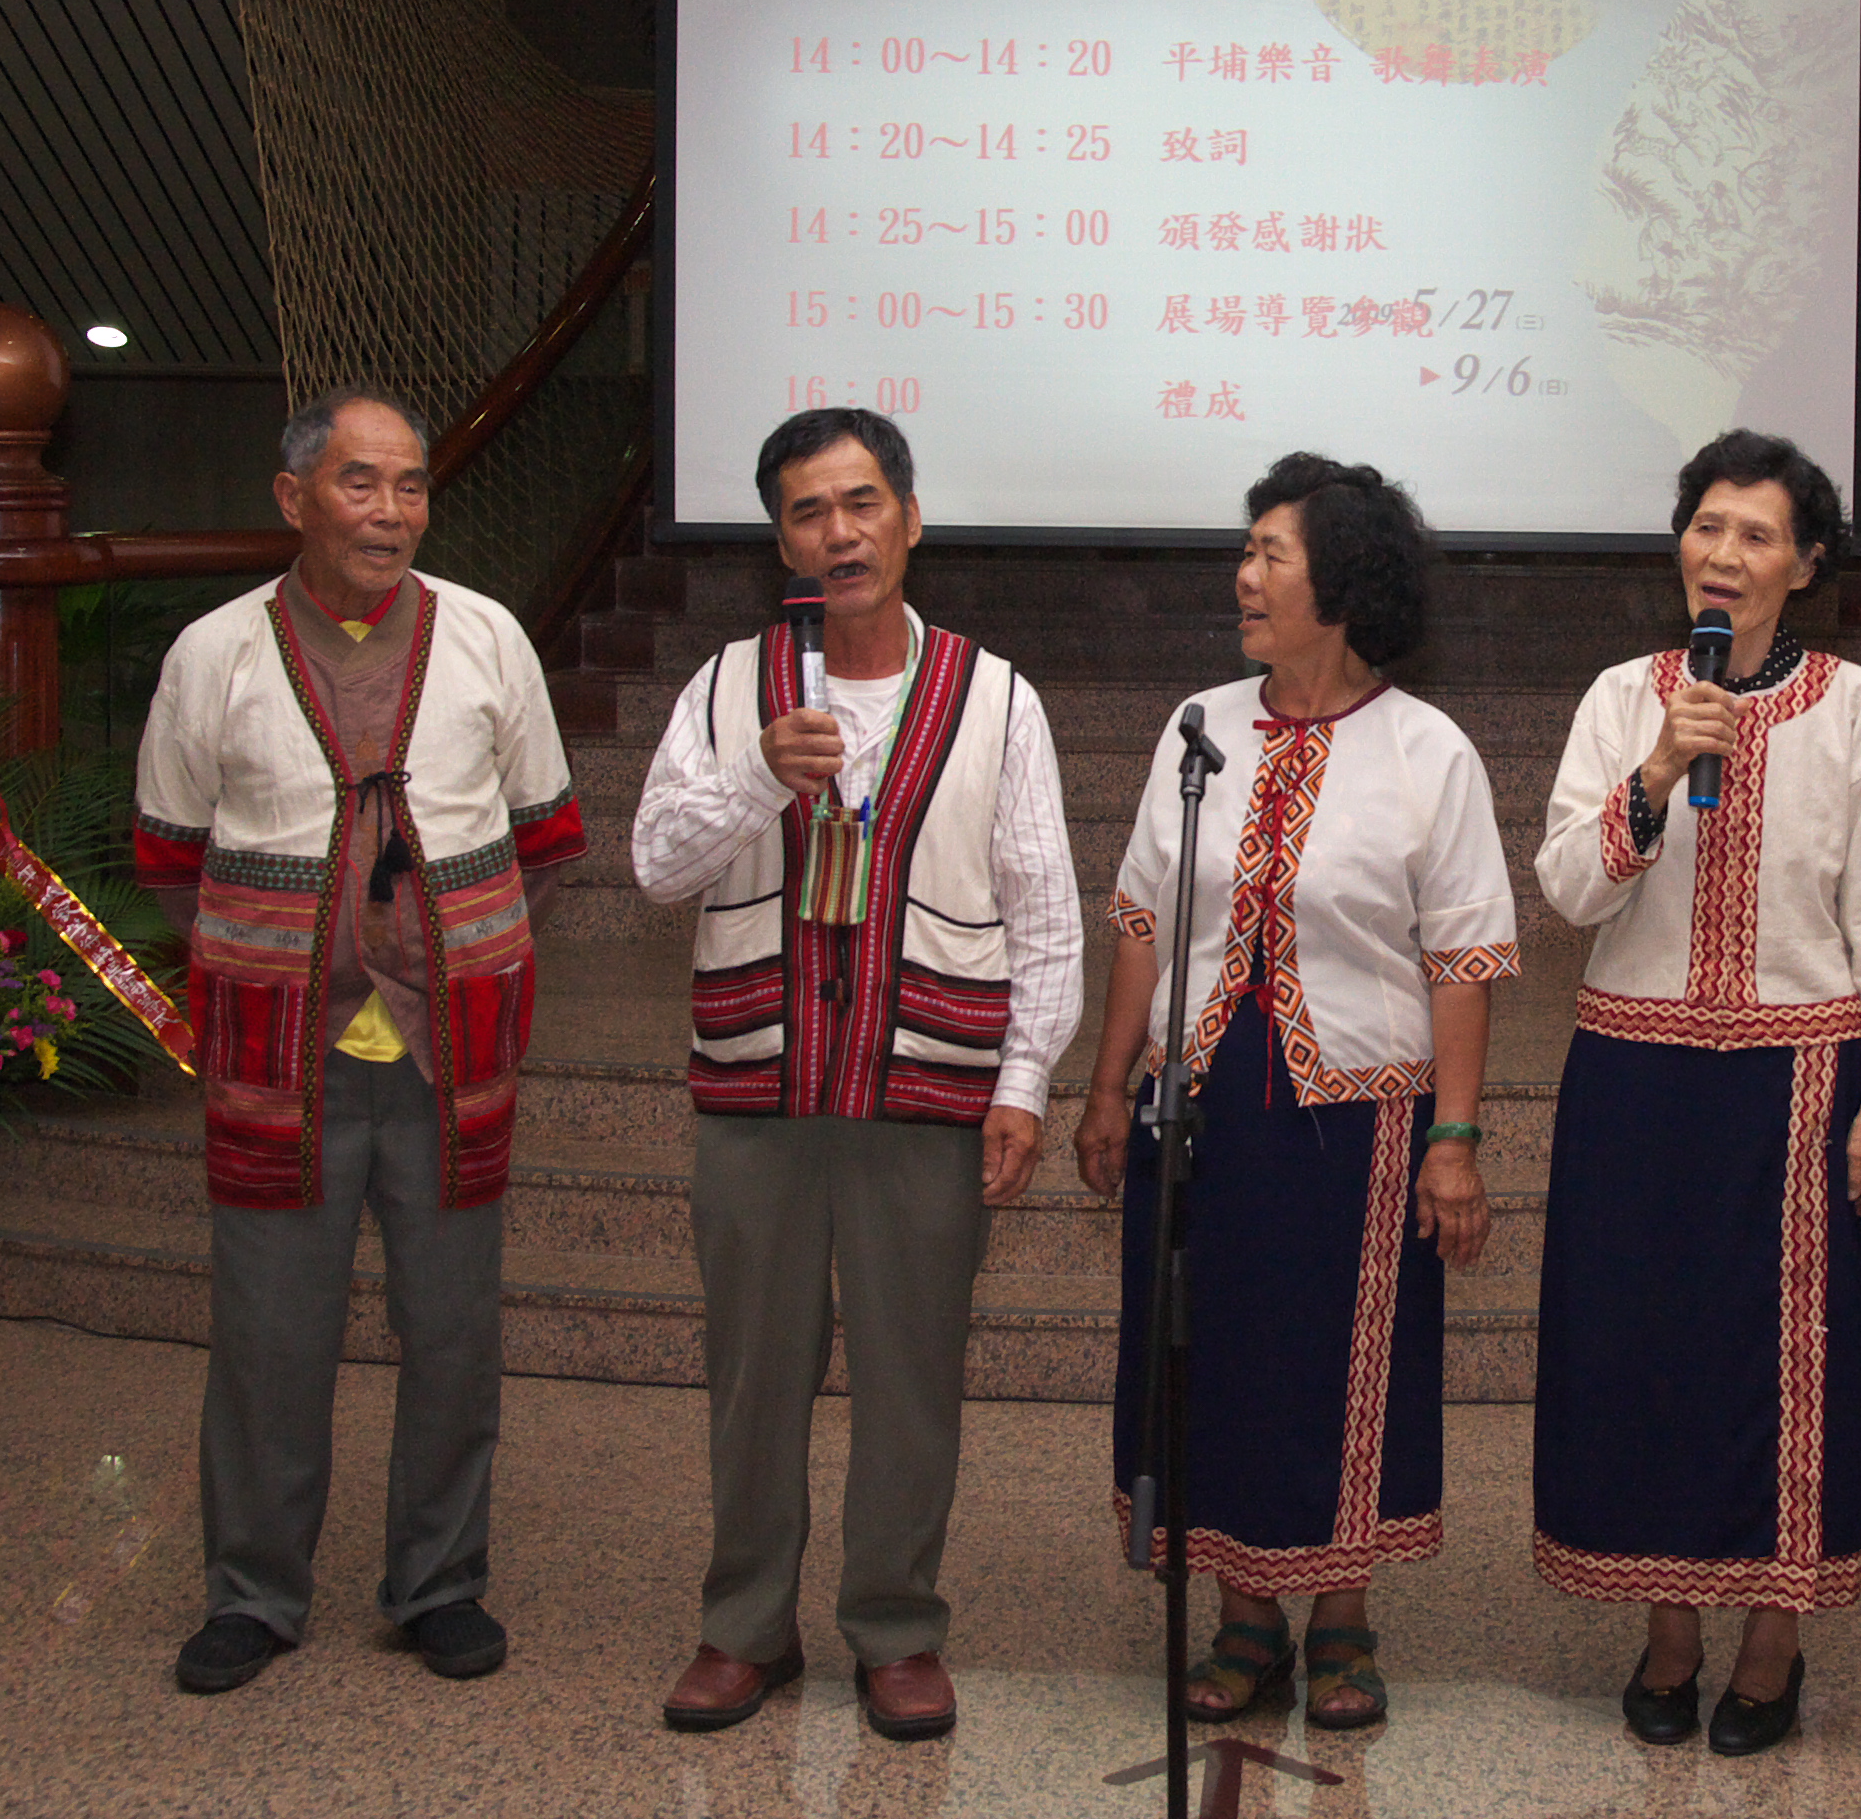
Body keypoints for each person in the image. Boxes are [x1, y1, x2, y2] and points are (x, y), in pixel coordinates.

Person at [631, 407, 1082, 1741]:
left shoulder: (998, 697)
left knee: (911, 1378)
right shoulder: (727, 687)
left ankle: (895, 1628)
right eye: (812, 511)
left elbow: (1044, 912)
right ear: (780, 536)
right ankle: (744, 1627)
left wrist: (1022, 1085)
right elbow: (657, 864)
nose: (842, 531)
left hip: (924, 1092)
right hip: (761, 1092)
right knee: (751, 1377)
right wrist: (753, 780)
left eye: (865, 501)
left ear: (911, 518)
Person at [135, 389, 589, 1695]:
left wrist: (450, 949)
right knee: (270, 1335)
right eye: (359, 483)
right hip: (283, 1054)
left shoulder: (490, 637)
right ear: (295, 499)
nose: (389, 511)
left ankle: (439, 1585)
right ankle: (254, 1596)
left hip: (452, 1055)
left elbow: (549, 837)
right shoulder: (213, 653)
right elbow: (170, 859)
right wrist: (295, 945)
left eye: (410, 485)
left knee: (453, 1333)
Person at [1072, 452, 1513, 1733]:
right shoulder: (1197, 726)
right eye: (1249, 548)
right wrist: (1107, 1090)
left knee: (1339, 1365)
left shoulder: (1430, 750)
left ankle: (1342, 1621)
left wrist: (1456, 1140)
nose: (1244, 574)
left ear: (1344, 581)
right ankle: (1242, 1621)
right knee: (1210, 1355)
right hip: (1202, 1103)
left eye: (1271, 552)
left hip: (1357, 1120)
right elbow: (1145, 921)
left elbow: (1465, 962)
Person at [1529, 430, 1861, 1760]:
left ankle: (1774, 1636)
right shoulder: (1621, 695)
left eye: (1758, 534)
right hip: (1634, 1079)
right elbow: (1568, 890)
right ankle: (1668, 1630)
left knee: (1784, 1368)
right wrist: (1654, 771)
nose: (1726, 553)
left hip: (1798, 1078)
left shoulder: (1856, 707)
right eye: (1708, 526)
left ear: (1805, 565)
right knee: (1641, 1353)